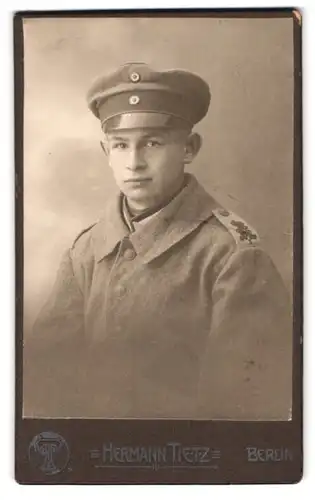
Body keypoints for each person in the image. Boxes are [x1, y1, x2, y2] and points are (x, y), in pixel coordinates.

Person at [23, 62, 292, 420]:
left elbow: (242, 405)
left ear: (188, 148)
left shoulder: (231, 254)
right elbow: (47, 380)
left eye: (152, 142)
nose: (134, 162)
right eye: (120, 145)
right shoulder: (85, 251)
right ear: (106, 153)